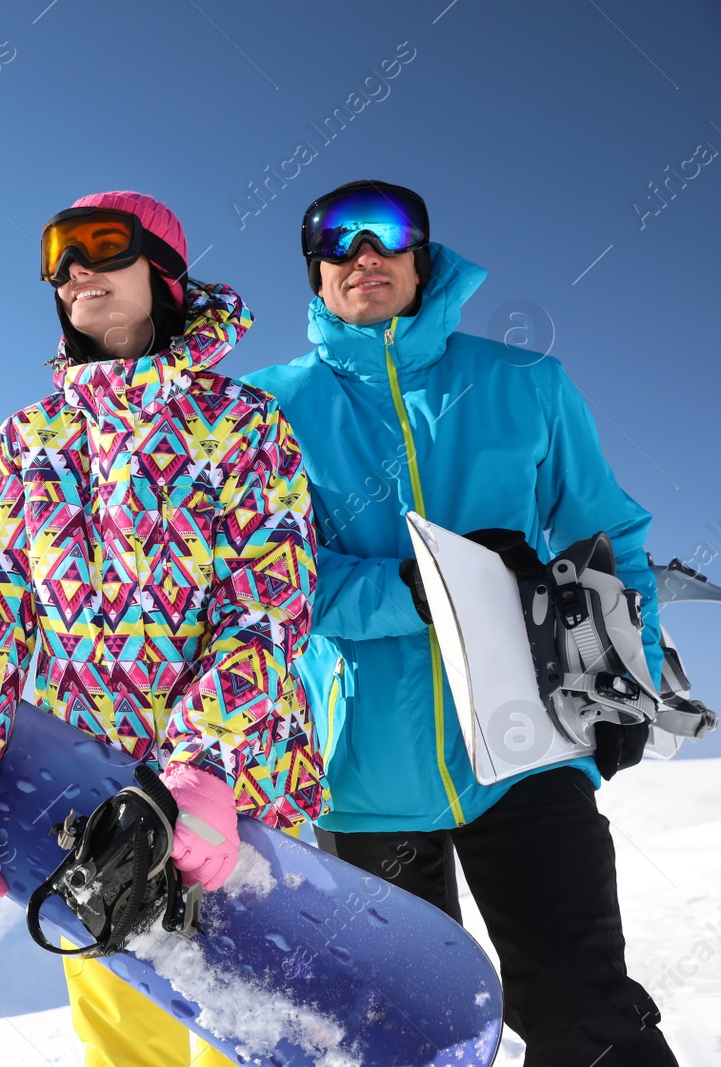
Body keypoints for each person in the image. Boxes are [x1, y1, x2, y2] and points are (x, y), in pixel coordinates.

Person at [244, 179, 678, 1066]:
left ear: (423, 256)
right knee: (403, 1041)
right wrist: (420, 588)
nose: (363, 255)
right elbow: (266, 585)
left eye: (388, 235)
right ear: (315, 275)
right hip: (361, 771)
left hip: (531, 755)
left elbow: (613, 533)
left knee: (586, 1014)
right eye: (337, 242)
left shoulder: (524, 382)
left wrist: (631, 672)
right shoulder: (265, 410)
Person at [0, 190, 327, 1067]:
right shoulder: (30, 439)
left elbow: (269, 604)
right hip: (93, 801)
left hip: (238, 803)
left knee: (246, 1041)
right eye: (58, 259)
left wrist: (204, 769)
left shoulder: (245, 424)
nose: (76, 271)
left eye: (102, 246)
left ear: (166, 270)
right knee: (125, 1047)